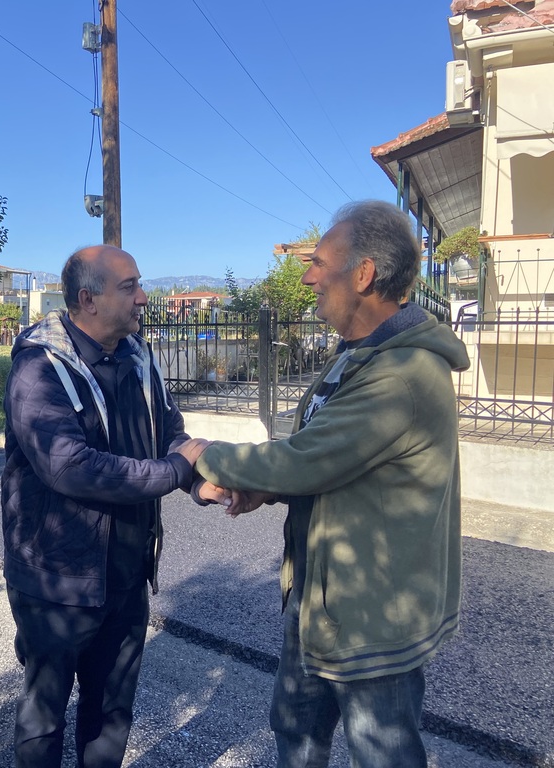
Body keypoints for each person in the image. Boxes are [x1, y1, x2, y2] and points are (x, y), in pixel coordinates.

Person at [193, 200, 470, 768]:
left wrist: (205, 456)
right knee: (295, 732)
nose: (308, 277)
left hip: (373, 615)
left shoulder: (403, 374)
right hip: (319, 596)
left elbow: (306, 459)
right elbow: (327, 456)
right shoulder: (355, 355)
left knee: (383, 752)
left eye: (319, 263)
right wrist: (268, 488)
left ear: (363, 274)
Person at [1, 244, 208, 768]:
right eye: (129, 287)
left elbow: (169, 431)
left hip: (126, 575)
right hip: (57, 582)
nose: (143, 298)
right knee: (44, 718)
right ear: (88, 299)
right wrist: (176, 471)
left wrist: (199, 478)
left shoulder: (138, 359)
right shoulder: (39, 369)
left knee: (112, 715)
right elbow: (70, 466)